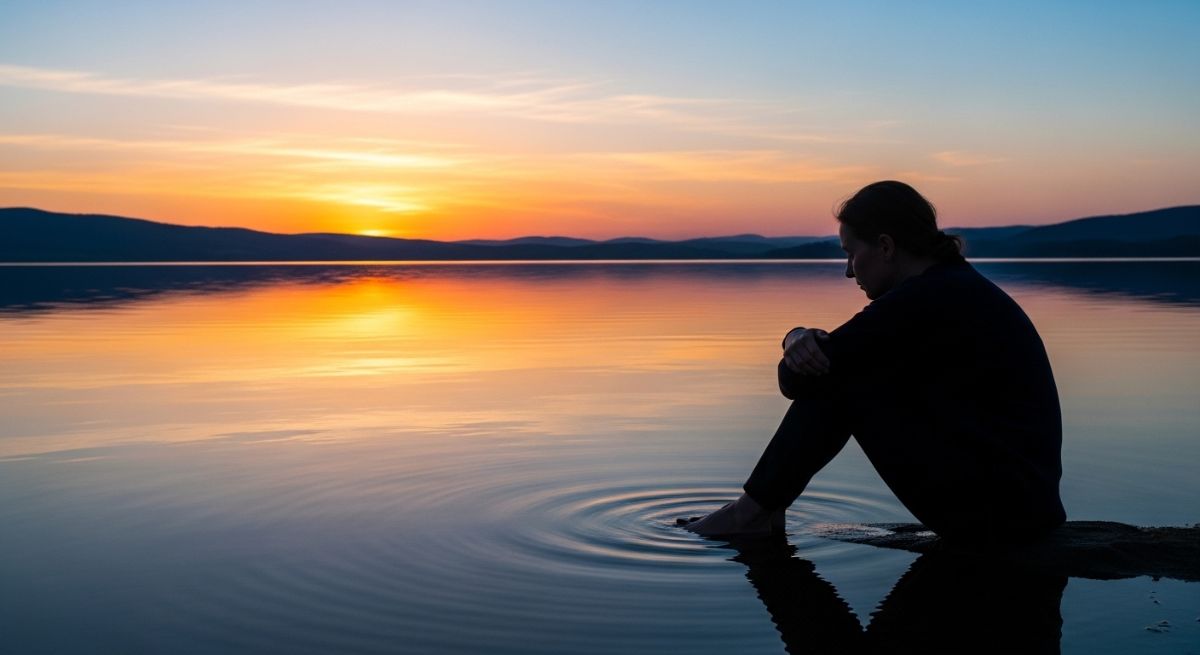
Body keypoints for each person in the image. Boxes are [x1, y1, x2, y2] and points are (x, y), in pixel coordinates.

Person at [679, 181, 1066, 545]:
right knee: (852, 373)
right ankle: (758, 512)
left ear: (885, 246)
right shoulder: (953, 287)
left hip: (1001, 513)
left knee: (841, 382)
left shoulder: (924, 300)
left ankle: (751, 515)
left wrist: (795, 339)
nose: (849, 271)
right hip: (1022, 502)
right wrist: (795, 335)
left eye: (851, 253)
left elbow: (799, 381)